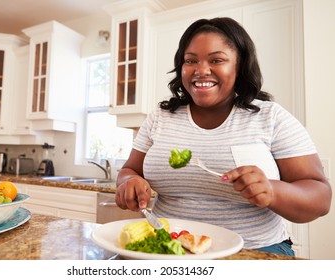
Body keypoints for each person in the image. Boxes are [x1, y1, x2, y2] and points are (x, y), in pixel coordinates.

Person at [115, 17, 331, 256]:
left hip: (255, 250)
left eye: (217, 60)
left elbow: (320, 199)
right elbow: (129, 170)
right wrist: (128, 182)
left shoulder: (270, 117)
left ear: (239, 67)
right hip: (169, 248)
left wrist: (272, 190)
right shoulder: (160, 116)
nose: (201, 70)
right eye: (191, 61)